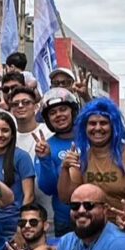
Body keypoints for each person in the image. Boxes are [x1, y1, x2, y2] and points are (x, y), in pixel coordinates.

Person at [57, 97, 125, 225]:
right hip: (94, 229)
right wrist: (65, 168)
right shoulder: (81, 158)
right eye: (92, 123)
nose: (97, 128)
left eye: (103, 123)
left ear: (114, 126)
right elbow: (66, 198)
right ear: (84, 128)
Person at [32, 88, 81, 236]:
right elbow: (48, 188)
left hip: (97, 217)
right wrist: (45, 159)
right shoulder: (45, 146)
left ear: (72, 111)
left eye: (63, 109)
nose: (59, 115)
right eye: (52, 113)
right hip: (65, 223)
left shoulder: (91, 139)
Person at [0, 109, 35, 242]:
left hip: (14, 223)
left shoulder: (21, 157)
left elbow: (29, 196)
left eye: (5, 130)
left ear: (12, 134)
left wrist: (22, 226)